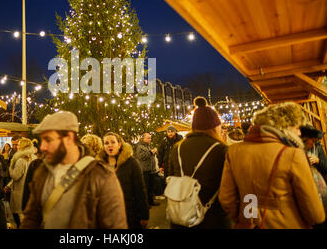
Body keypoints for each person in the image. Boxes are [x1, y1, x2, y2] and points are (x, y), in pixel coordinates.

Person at [219, 102, 326, 228]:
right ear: (283, 127)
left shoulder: (234, 151)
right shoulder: (293, 154)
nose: (299, 133)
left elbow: (226, 199)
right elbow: (314, 212)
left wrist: (242, 218)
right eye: (296, 128)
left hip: (248, 223)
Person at [21, 111, 127, 229]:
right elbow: (31, 218)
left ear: (68, 138)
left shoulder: (100, 175)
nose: (42, 147)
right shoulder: (43, 171)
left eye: (48, 140)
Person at [168, 96, 230, 229]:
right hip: (212, 216)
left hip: (181, 215)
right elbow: (228, 186)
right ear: (215, 126)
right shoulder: (221, 149)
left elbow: (170, 175)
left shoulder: (177, 148)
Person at [98, 132, 149, 229]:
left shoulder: (131, 163)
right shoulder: (100, 164)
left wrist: (144, 215)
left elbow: (140, 190)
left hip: (129, 213)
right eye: (106, 143)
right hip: (106, 214)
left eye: (113, 142)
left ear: (119, 144)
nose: (110, 145)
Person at [5, 138, 36, 228]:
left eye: (18, 145)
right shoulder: (34, 158)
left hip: (20, 192)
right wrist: (9, 185)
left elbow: (15, 176)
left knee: (19, 217)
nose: (17, 147)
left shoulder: (21, 160)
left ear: (22, 147)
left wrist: (10, 167)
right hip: (29, 191)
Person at [135, 132, 159, 206]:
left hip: (151, 170)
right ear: (143, 138)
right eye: (148, 138)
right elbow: (142, 157)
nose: (150, 139)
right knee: (145, 188)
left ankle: (151, 201)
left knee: (151, 187)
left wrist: (154, 152)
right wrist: (151, 152)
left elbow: (151, 156)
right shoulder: (140, 147)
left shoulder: (148, 146)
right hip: (145, 170)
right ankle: (145, 204)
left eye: (150, 138)